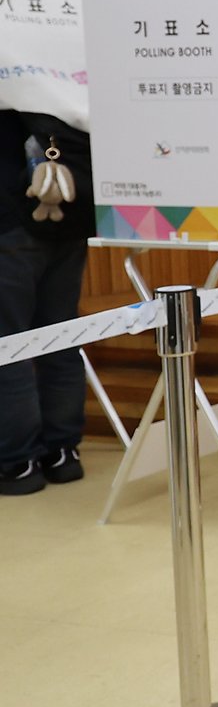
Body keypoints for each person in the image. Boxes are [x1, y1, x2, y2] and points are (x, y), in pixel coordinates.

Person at [0, 108, 92, 495]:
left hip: (8, 220)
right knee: (61, 337)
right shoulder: (54, 76)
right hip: (71, 219)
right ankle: (62, 452)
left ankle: (18, 462)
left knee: (9, 344)